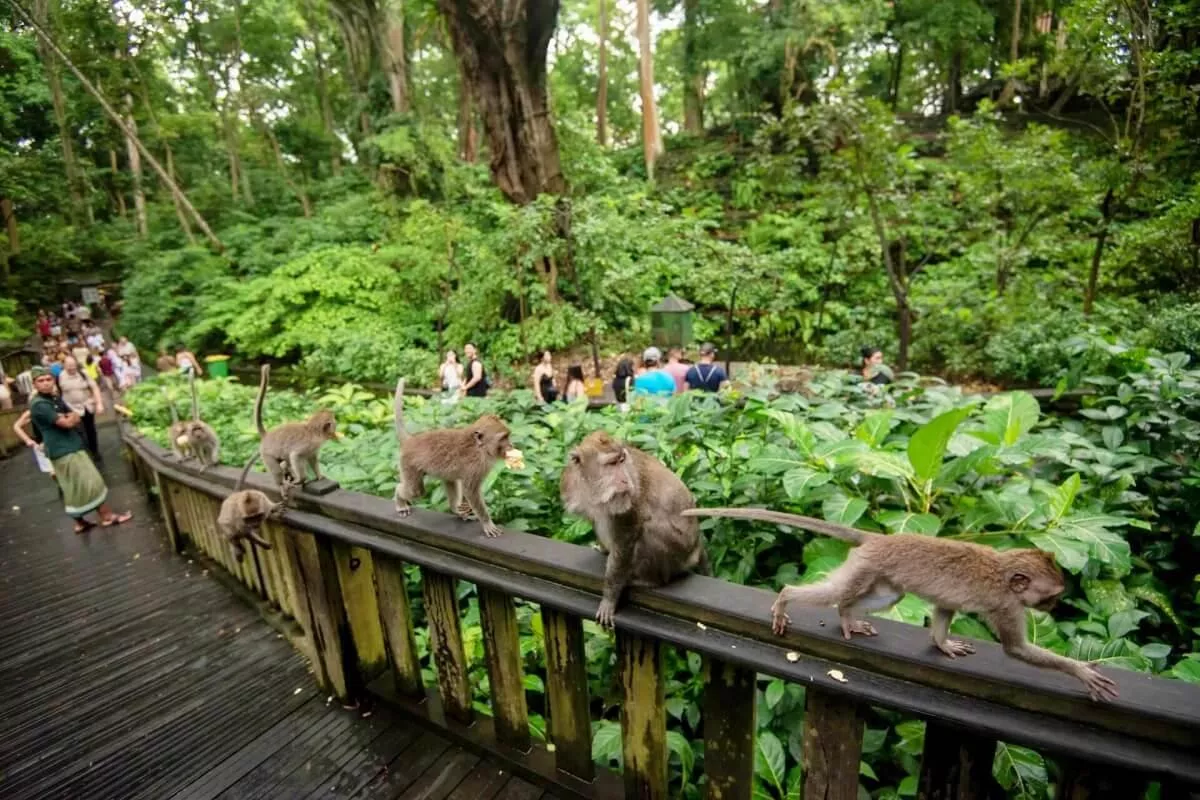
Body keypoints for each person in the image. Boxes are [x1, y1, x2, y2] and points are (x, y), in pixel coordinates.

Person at [28, 366, 132, 533]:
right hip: (61, 448)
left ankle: (80, 522)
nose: (46, 383)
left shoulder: (54, 398)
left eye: (48, 379)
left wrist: (69, 417)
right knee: (89, 480)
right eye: (41, 381)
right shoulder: (39, 404)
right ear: (35, 384)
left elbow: (75, 415)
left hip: (70, 444)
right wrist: (68, 418)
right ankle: (106, 516)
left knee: (75, 484)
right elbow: (67, 422)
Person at [57, 355, 105, 462]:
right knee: (79, 432)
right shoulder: (59, 377)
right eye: (69, 366)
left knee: (90, 430)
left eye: (73, 365)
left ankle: (95, 451)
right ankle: (85, 454)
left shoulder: (83, 373)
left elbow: (94, 387)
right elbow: (55, 393)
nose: (72, 368)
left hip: (86, 406)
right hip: (72, 409)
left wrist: (99, 403)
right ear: (64, 365)